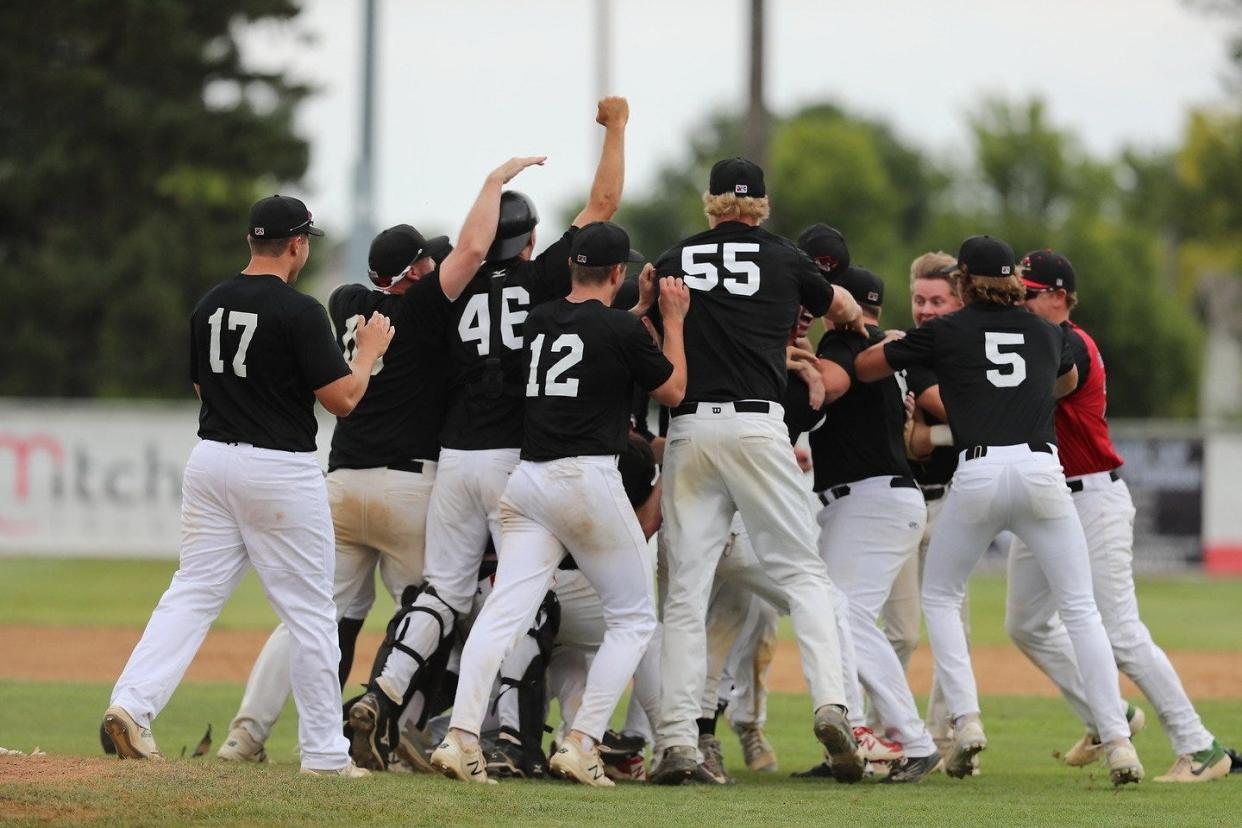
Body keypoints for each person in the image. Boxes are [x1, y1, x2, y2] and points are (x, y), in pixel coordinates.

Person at [348, 97, 632, 771]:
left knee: (444, 591)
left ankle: (385, 691)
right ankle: (502, 735)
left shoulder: (450, 286)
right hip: (516, 457)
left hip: (454, 455)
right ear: (532, 242)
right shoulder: (542, 277)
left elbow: (471, 247)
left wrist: (488, 187)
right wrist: (617, 129)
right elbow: (604, 200)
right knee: (520, 600)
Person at [102, 196, 393, 777]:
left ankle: (131, 705)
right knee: (311, 611)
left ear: (250, 240)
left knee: (192, 592)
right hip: (277, 468)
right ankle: (325, 755)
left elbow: (201, 389)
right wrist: (367, 356)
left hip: (210, 458)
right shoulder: (300, 310)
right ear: (297, 244)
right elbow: (344, 400)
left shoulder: (210, 303)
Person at [854, 234, 1144, 786]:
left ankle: (965, 721)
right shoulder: (1047, 330)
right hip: (1042, 469)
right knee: (1080, 609)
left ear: (962, 282)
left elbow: (869, 367)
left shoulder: (944, 330)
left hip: (979, 469)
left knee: (941, 595)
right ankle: (1120, 741)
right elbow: (1068, 381)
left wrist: (898, 344)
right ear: (1013, 281)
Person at [429, 221, 690, 786]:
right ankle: (580, 741)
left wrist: (634, 312)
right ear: (618, 273)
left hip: (527, 482)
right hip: (586, 478)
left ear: (572, 266)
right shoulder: (621, 332)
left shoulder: (540, 317)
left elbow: (585, 337)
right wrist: (670, 321)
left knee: (502, 613)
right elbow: (672, 390)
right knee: (633, 617)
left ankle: (462, 736)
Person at [650, 157, 868, 785]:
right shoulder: (784, 258)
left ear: (711, 203)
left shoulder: (674, 258)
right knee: (803, 575)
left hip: (691, 428)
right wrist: (845, 317)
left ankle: (678, 741)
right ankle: (833, 706)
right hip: (757, 423)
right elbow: (842, 306)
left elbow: (647, 307)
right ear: (761, 207)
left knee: (687, 591)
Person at [213, 223, 459, 764]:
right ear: (416, 271)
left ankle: (245, 734)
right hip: (408, 486)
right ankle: (395, 722)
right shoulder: (428, 311)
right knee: (434, 613)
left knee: (310, 616)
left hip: (343, 483)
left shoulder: (345, 299)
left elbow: (370, 292)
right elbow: (443, 281)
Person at [1006, 249, 1231, 783]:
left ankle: (1200, 746)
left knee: (1121, 631)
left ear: (1059, 297)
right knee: (1026, 623)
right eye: (1015, 293)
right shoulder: (1030, 339)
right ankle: (1112, 715)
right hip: (1047, 501)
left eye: (1027, 295)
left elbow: (1054, 383)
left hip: (1092, 497)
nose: (1019, 303)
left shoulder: (1071, 343)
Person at [810, 265, 943, 783]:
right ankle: (878, 734)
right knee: (843, 615)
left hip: (873, 498)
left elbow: (830, 385)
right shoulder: (876, 345)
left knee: (843, 614)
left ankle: (907, 738)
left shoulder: (847, 345)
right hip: (874, 499)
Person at [879, 252, 970, 762]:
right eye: (920, 299)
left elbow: (935, 431)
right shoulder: (906, 351)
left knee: (956, 625)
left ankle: (945, 734)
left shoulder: (968, 352)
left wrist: (930, 430)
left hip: (953, 503)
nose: (927, 310)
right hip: (901, 502)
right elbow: (918, 443)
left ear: (959, 301)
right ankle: (879, 731)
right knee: (901, 630)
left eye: (938, 300)